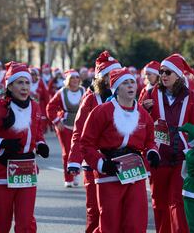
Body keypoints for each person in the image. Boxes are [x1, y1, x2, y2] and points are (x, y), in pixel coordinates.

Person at [0, 62, 49, 233]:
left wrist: (41, 144)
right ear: (10, 85)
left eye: (27, 82)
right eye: (20, 82)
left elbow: (36, 133)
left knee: (26, 224)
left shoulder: (34, 107)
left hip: (26, 171)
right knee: (1, 226)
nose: (24, 87)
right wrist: (1, 144)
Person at [80, 67, 160, 232]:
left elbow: (150, 140)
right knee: (110, 224)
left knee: (135, 223)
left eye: (132, 82)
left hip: (135, 173)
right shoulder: (102, 111)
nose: (131, 86)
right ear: (116, 88)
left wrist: (152, 152)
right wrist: (102, 164)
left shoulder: (143, 114)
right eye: (125, 83)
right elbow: (86, 143)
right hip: (109, 172)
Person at [146, 54, 194, 233]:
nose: (163, 75)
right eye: (161, 72)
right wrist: (144, 110)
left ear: (179, 76)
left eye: (168, 72)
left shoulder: (192, 96)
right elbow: (141, 123)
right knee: (159, 203)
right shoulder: (150, 93)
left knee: (178, 202)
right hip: (158, 157)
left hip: (182, 157)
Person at [67, 50, 121, 233]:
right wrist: (74, 160)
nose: (114, 78)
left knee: (116, 213)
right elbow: (79, 131)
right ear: (101, 78)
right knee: (95, 211)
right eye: (109, 75)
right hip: (94, 162)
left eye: (116, 74)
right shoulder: (90, 99)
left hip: (119, 163)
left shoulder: (126, 98)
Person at [46, 69, 85, 187]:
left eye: (77, 77)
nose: (75, 80)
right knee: (67, 152)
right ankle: (68, 178)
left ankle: (76, 173)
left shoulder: (84, 91)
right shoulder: (62, 92)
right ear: (67, 80)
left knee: (79, 151)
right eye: (72, 78)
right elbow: (50, 107)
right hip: (65, 126)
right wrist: (57, 122)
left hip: (80, 126)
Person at [29, 67, 50, 133]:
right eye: (30, 74)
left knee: (41, 119)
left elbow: (46, 96)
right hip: (28, 105)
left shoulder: (40, 82)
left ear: (36, 75)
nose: (32, 76)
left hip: (40, 105)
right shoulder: (26, 82)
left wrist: (47, 107)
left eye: (33, 74)